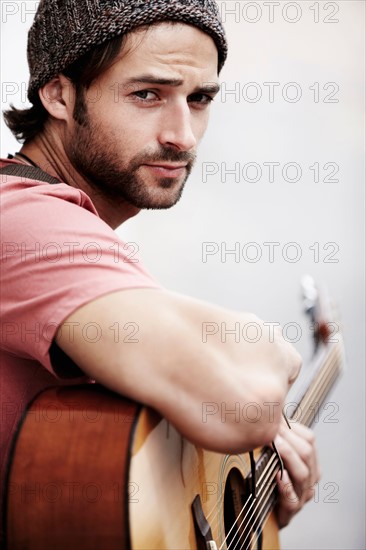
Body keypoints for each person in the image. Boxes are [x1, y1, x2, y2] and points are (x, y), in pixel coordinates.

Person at [0, 0, 320, 542]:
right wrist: (270, 349)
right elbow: (238, 409)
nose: (183, 136)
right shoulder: (24, 223)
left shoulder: (66, 230)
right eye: (147, 94)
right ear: (58, 94)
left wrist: (245, 517)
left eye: (198, 100)